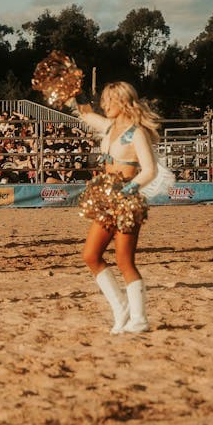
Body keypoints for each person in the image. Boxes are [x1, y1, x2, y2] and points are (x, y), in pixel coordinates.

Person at [76, 82, 160, 334]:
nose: (104, 106)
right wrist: (76, 92)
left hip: (126, 199)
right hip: (106, 198)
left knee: (124, 260)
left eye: (109, 101)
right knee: (90, 255)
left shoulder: (136, 133)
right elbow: (86, 115)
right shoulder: (110, 126)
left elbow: (150, 170)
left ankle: (139, 318)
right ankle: (120, 307)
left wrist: (130, 189)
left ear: (122, 102)